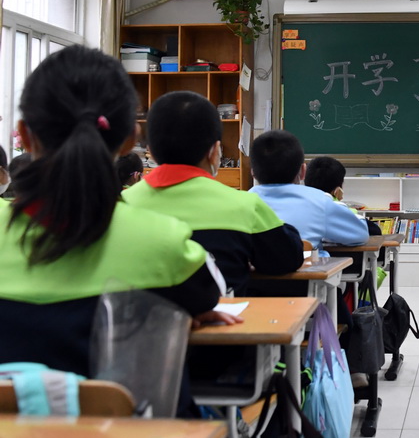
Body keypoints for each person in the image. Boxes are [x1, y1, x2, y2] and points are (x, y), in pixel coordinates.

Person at [0, 46, 231, 380]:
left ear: (22, 135)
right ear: (130, 141)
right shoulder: (162, 240)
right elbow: (207, 299)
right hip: (132, 428)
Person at [123, 91, 303, 296]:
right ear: (215, 151)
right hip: (224, 321)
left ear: (151, 153)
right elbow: (286, 260)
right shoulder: (244, 205)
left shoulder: (121, 205)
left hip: (139, 324)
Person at [249, 130, 369, 247]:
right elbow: (360, 234)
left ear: (253, 172)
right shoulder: (320, 201)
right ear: (303, 172)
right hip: (305, 266)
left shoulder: (238, 205)